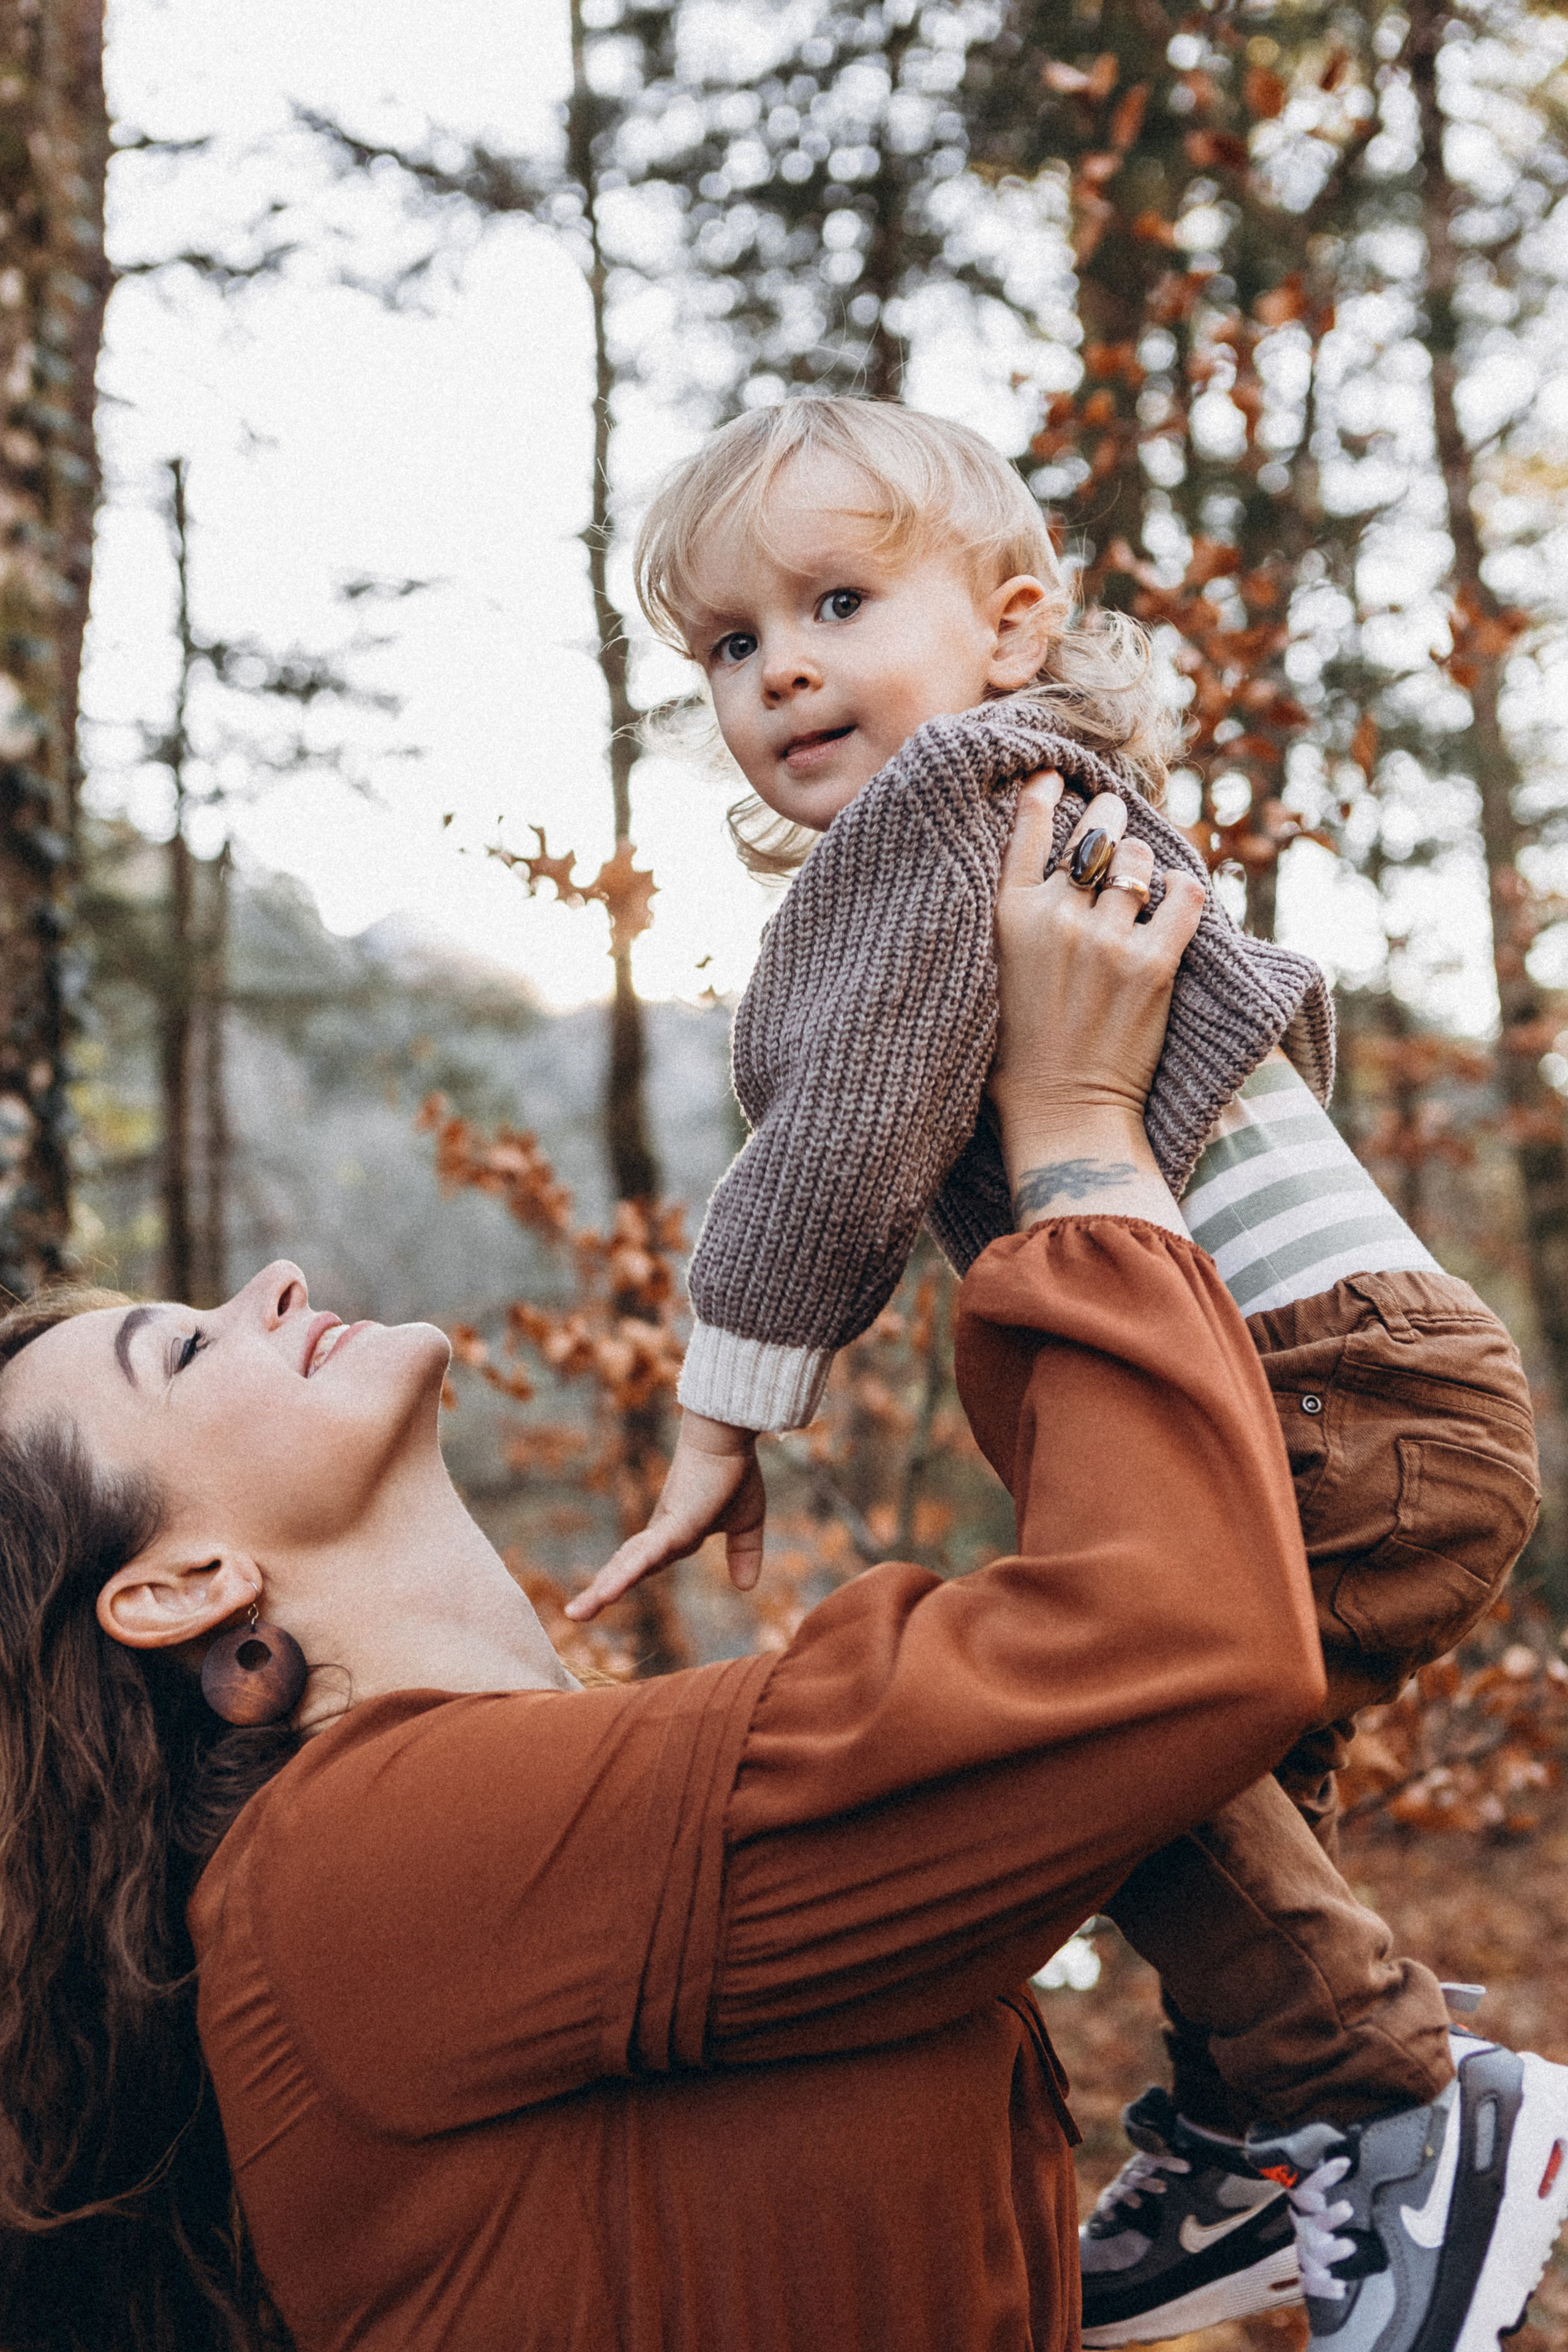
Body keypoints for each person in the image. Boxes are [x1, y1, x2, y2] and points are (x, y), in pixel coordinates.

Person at [0, 790, 1560, 2352]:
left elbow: (1122, 1699)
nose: (266, 1281)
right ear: (177, 1584)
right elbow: (1166, 1642)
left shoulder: (526, 1824)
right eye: (184, 1345)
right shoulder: (357, 1863)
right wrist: (1075, 1130)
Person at [560, 394, 1550, 2346]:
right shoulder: (1043, 803)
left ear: (1008, 626)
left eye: (836, 600)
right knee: (1232, 1774)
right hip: (1369, 1384)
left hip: (1317, 1392)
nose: (783, 672)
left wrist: (724, 1398)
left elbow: (837, 1141)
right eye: (732, 648)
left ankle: (1407, 2112)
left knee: (1095, 1739)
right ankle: (1257, 2124)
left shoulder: (956, 797)